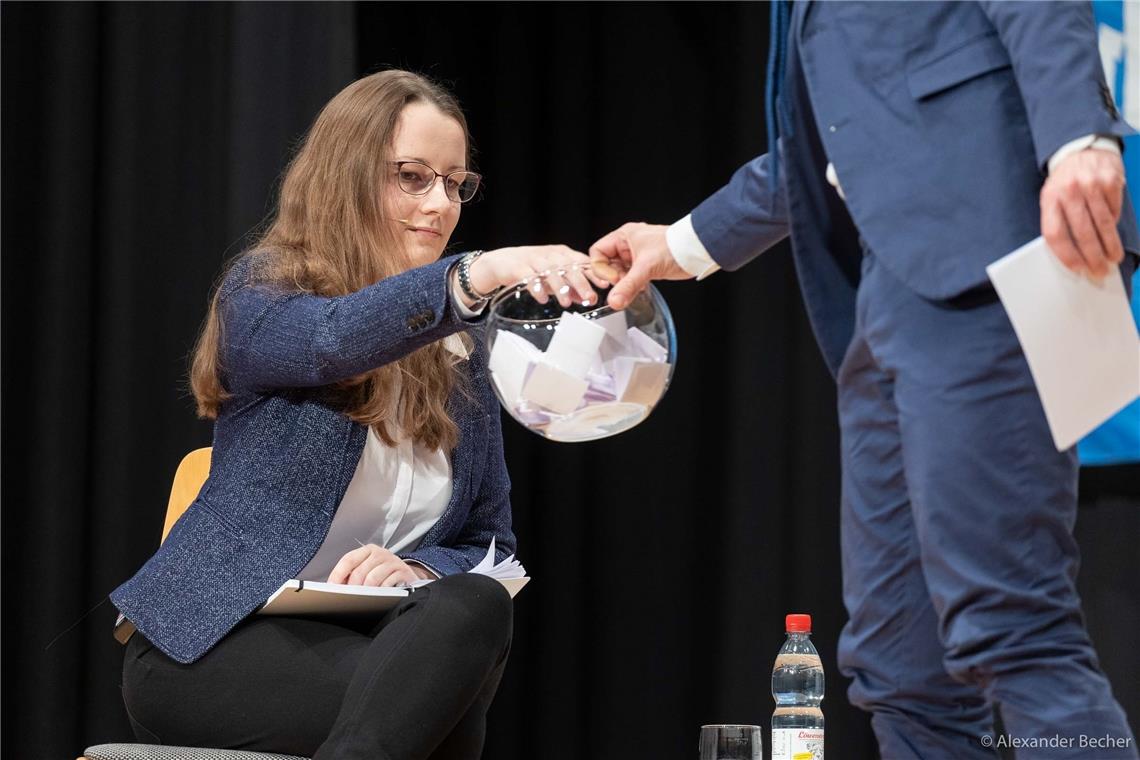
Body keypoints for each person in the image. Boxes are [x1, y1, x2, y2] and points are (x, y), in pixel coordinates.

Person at [589, 3, 1139, 759]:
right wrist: (681, 242)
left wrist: (1080, 137)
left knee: (1014, 630)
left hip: (989, 254)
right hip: (884, 289)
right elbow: (831, 146)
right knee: (899, 665)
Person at [110, 69, 602, 760]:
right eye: (412, 176)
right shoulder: (263, 294)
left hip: (371, 653)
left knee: (472, 607)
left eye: (456, 184)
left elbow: (492, 541)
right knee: (446, 723)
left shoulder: (463, 353)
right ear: (346, 175)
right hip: (209, 649)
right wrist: (478, 273)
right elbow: (334, 341)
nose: (440, 204)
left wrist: (416, 571)